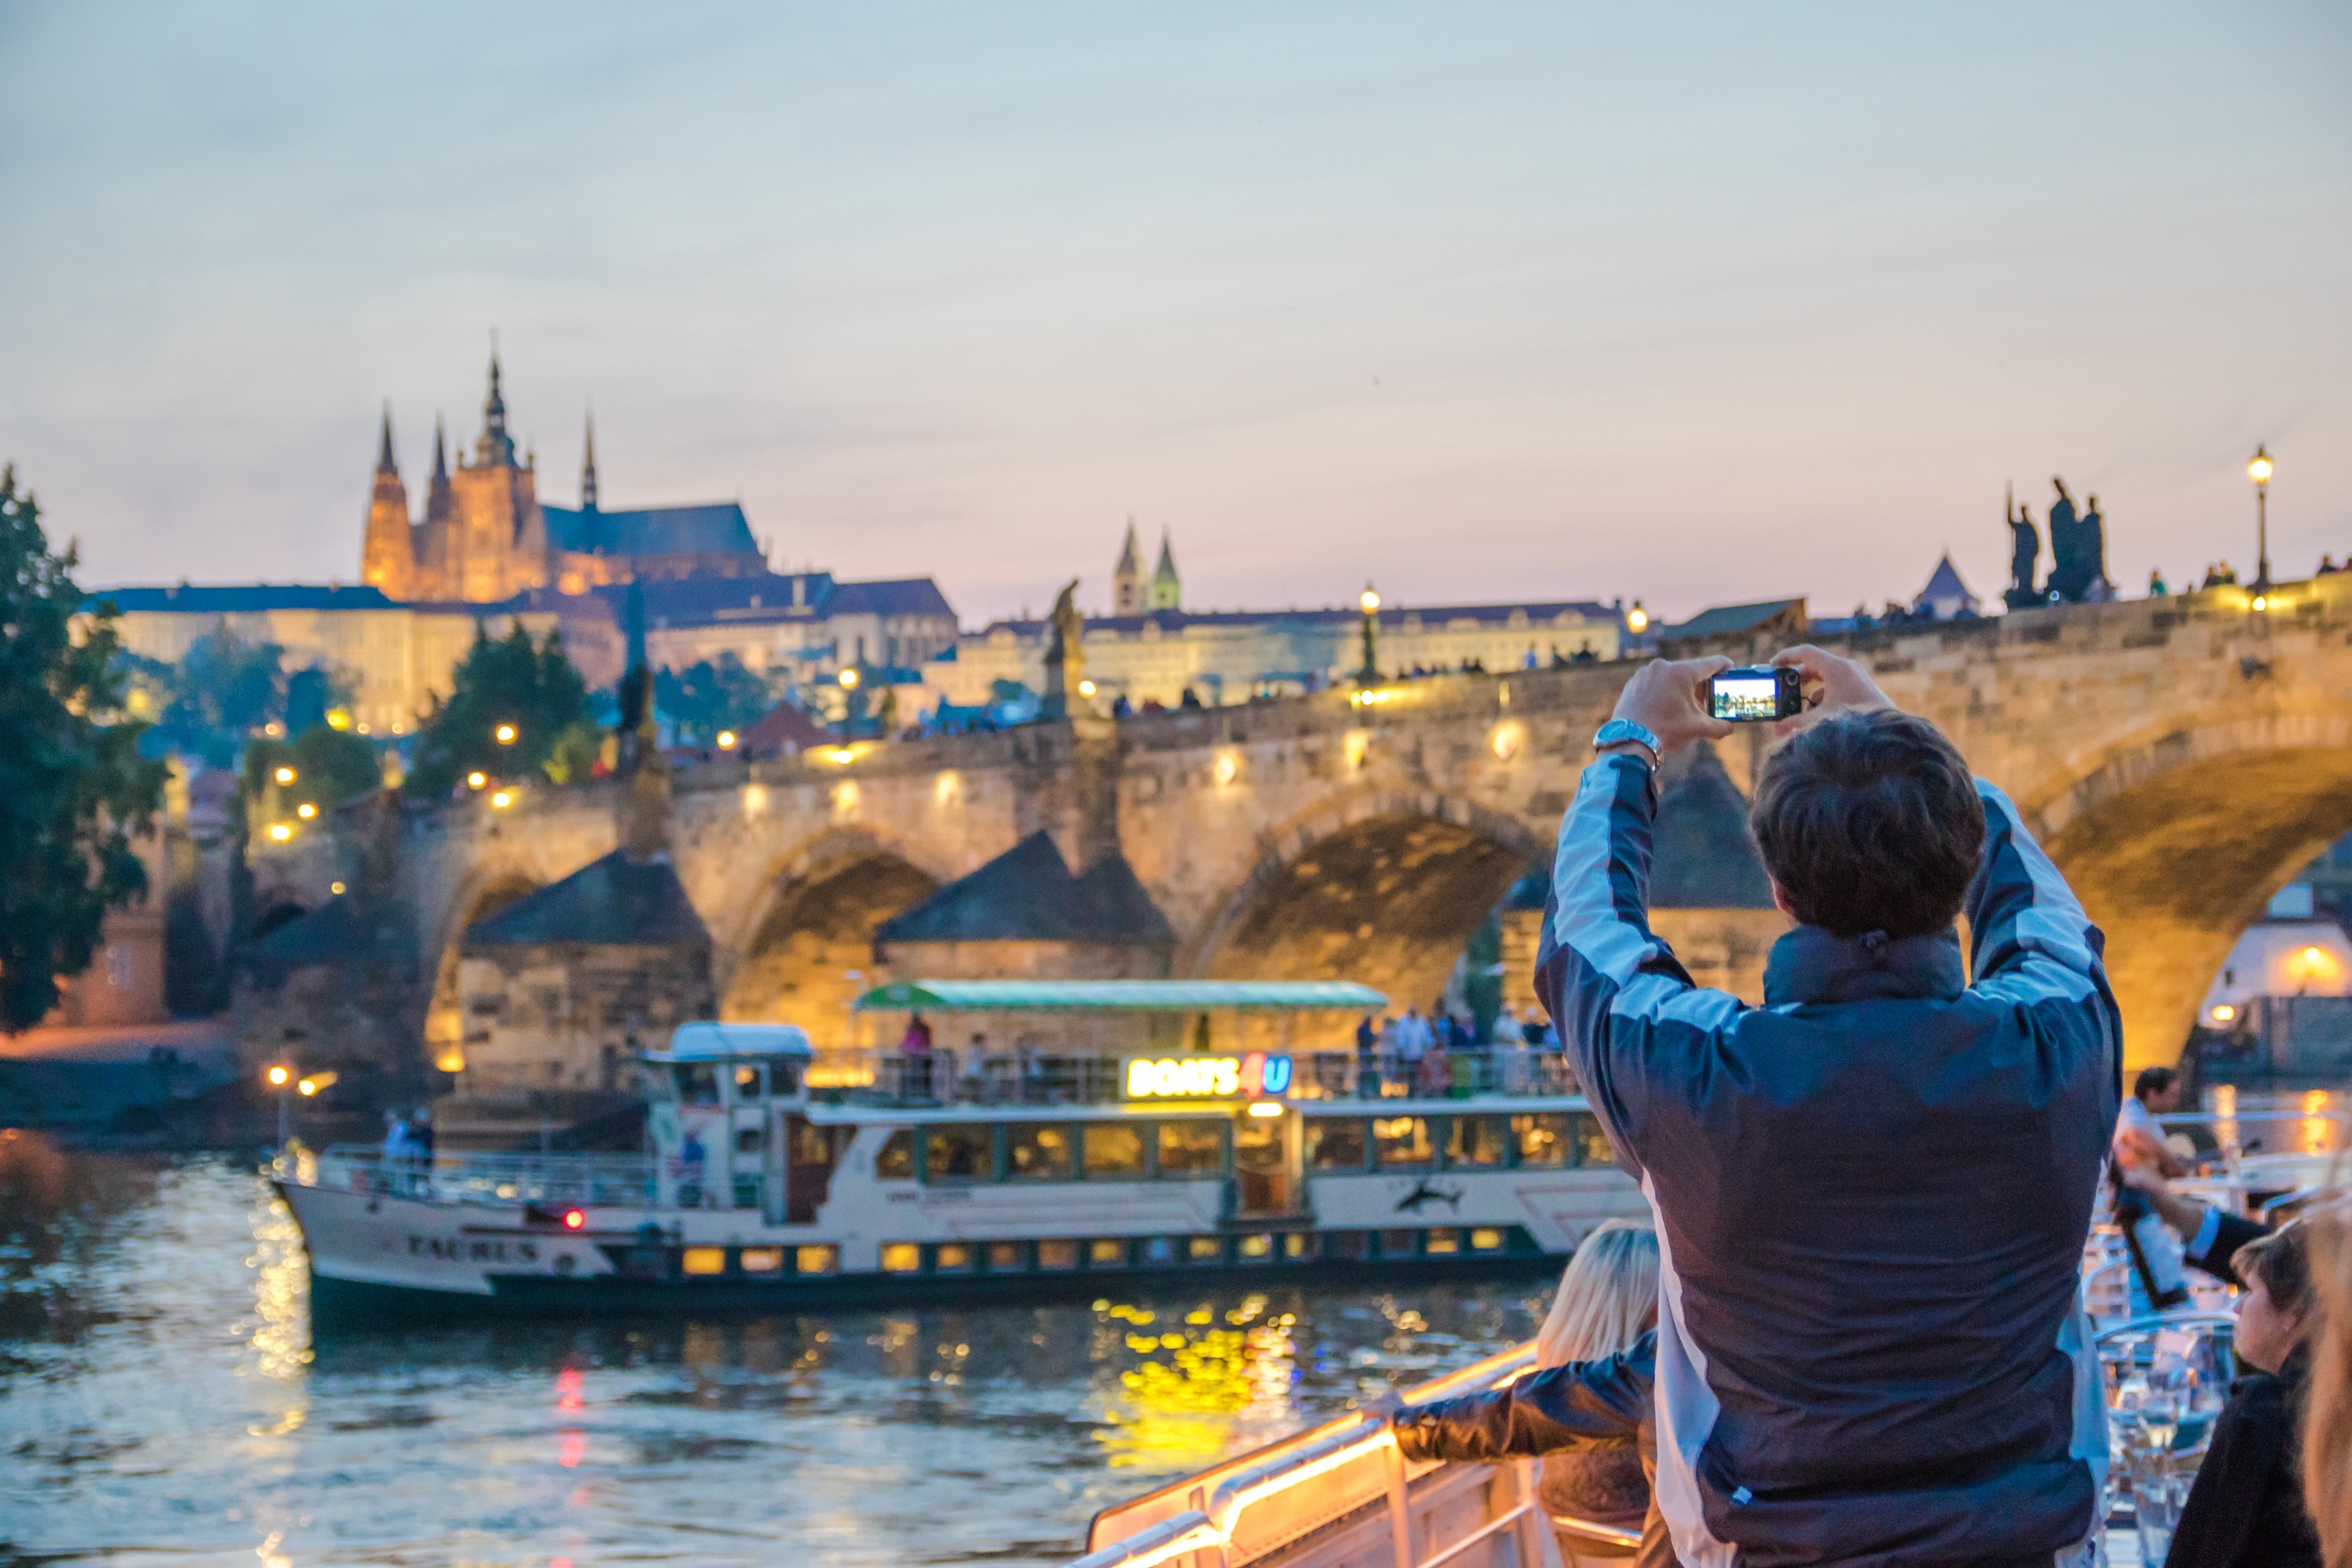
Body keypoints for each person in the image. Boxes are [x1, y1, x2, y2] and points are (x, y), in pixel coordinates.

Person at [1541, 644, 2120, 1564]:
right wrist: (1904, 741)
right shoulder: (2057, 1045)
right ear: (1957, 862)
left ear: (1778, 892)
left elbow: (1586, 931)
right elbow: (2043, 910)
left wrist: (1628, 743)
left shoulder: (1695, 1072)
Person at [1391, 1222, 1663, 1563]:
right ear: (1647, 1306)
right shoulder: (1643, 1389)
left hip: (1578, 1549)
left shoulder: (1557, 1383)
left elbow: (1511, 1417)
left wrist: (1409, 1423)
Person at [2165, 1223, 2323, 1567]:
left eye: (2248, 1291)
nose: (2237, 1309)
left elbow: (2198, 1556)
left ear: (2293, 1313)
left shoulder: (2262, 1415)